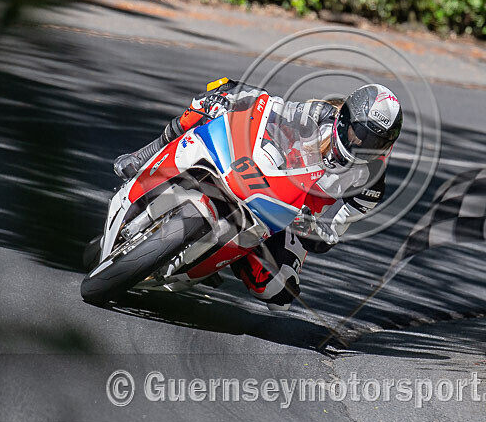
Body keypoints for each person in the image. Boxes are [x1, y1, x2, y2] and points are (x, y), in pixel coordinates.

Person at [113, 78, 403, 310]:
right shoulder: (319, 115)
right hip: (263, 171)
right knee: (209, 102)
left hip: (290, 216)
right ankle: (144, 155)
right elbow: (272, 108)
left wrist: (310, 229)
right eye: (361, 134)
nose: (364, 146)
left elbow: (332, 233)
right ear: (344, 120)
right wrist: (232, 97)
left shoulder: (370, 185)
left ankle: (234, 254)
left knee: (279, 292)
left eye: (377, 142)